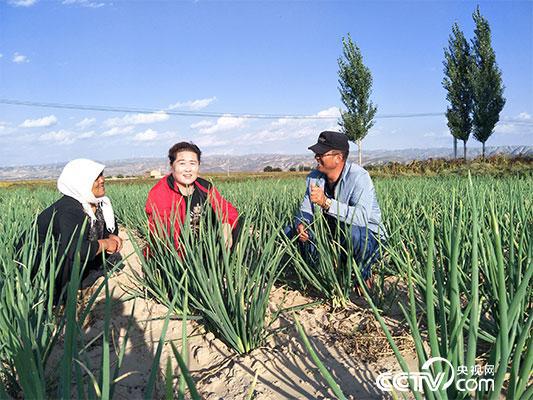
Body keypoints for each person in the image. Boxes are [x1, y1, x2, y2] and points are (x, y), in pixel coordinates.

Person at [287, 130, 386, 287]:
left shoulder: (359, 177)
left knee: (351, 231)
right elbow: (304, 210)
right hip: (335, 235)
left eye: (321, 154)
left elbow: (361, 218)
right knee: (290, 231)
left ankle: (363, 273)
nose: (316, 157)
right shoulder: (314, 177)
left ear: (338, 158)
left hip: (368, 237)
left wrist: (327, 203)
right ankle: (313, 271)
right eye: (316, 153)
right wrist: (302, 223)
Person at [32, 159, 122, 303]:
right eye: (96, 177)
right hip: (46, 267)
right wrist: (105, 243)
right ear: (81, 182)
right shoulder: (70, 210)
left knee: (113, 260)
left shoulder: (98, 204)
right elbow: (75, 250)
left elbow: (104, 229)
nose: (102, 179)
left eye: (102, 175)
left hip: (71, 260)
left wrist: (111, 236)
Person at [145, 142, 239, 251]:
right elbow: (164, 234)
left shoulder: (204, 186)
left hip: (203, 245)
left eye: (192, 163)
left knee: (236, 225)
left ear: (198, 165)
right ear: (172, 166)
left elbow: (226, 209)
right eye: (182, 163)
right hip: (174, 253)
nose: (188, 169)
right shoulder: (160, 192)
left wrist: (226, 224)